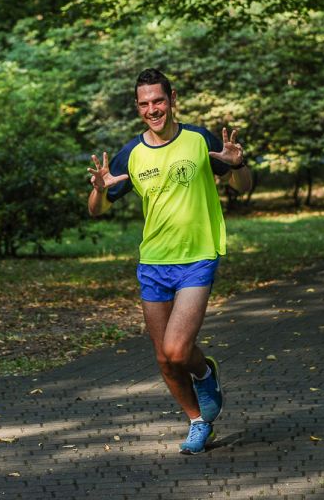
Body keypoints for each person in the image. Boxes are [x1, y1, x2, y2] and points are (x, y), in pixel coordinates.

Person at [87, 68, 253, 455]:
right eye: (144, 104)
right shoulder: (132, 152)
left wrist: (238, 165)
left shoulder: (198, 139)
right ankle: (197, 421)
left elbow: (242, 188)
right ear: (137, 106)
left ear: (172, 98)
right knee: (163, 357)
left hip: (197, 256)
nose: (152, 109)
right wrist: (97, 191)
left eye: (158, 101)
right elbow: (96, 210)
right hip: (154, 262)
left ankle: (204, 371)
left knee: (179, 350)